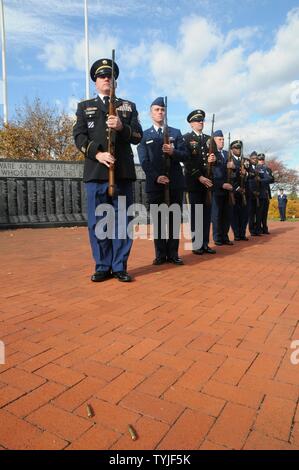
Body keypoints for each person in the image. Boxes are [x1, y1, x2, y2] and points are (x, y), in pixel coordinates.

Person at [73, 57, 143, 282]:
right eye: (102, 76)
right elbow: (79, 136)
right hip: (96, 173)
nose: (106, 79)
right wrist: (97, 153)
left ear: (115, 81)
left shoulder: (128, 107)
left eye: (110, 76)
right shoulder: (85, 107)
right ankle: (103, 265)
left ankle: (120, 265)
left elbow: (138, 135)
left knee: (122, 221)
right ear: (96, 81)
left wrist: (123, 127)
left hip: (121, 173)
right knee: (98, 222)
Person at [137, 97, 187, 265]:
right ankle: (160, 255)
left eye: (162, 110)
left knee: (173, 219)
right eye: (157, 109)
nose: (160, 112)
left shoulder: (176, 133)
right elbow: (144, 161)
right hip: (155, 184)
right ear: (151, 113)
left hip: (175, 183)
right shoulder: (144, 136)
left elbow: (185, 155)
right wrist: (156, 177)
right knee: (158, 221)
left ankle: (173, 254)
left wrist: (173, 152)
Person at [183, 109, 217, 255]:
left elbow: (217, 160)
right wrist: (199, 177)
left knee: (206, 215)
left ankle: (205, 244)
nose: (201, 123)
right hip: (194, 182)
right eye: (198, 121)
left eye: (202, 120)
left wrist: (214, 160)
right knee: (197, 215)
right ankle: (197, 244)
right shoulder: (185, 139)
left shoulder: (210, 139)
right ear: (191, 124)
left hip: (208, 182)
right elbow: (187, 161)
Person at [212, 131, 235, 246]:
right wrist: (221, 184)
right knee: (217, 215)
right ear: (214, 140)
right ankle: (217, 237)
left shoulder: (227, 154)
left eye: (223, 139)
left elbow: (233, 173)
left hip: (228, 189)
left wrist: (233, 167)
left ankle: (225, 236)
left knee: (227, 214)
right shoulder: (211, 154)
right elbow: (212, 173)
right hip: (217, 189)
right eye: (219, 139)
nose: (222, 141)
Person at [230, 140, 249, 241]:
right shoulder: (230, 160)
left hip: (244, 191)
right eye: (236, 148)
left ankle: (242, 233)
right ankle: (236, 234)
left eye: (239, 148)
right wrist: (237, 188)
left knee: (244, 214)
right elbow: (230, 177)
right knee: (235, 214)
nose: (238, 150)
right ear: (232, 149)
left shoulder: (245, 161)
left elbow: (250, 174)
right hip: (234, 191)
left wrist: (245, 173)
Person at [257, 153, 274, 234]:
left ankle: (265, 228)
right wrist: (267, 179)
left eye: (262, 159)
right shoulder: (256, 168)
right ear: (258, 160)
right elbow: (258, 180)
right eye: (260, 159)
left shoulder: (268, 169)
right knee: (259, 212)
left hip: (266, 193)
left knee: (265, 212)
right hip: (259, 193)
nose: (261, 161)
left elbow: (272, 179)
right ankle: (258, 228)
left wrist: (263, 179)